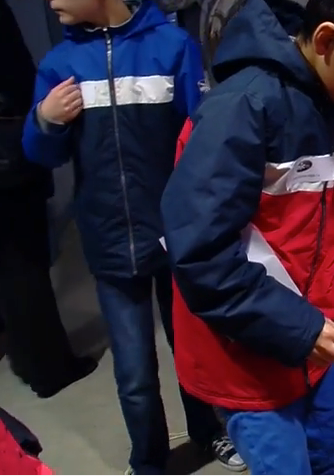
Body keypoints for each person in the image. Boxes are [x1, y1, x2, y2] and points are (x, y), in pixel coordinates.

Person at [160, 0, 334, 473]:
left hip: (305, 337)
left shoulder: (333, 104)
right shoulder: (241, 109)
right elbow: (200, 252)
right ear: (327, 41)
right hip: (244, 353)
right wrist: (297, 327)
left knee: (331, 454)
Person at [20, 0, 242, 472]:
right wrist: (46, 119)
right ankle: (149, 460)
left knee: (193, 350)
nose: (51, 2)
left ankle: (208, 432)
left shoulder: (173, 47)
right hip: (108, 241)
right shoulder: (61, 64)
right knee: (134, 372)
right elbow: (41, 155)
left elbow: (202, 133)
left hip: (176, 235)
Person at [0, 0, 97, 398]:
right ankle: (49, 368)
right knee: (24, 263)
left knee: (2, 261)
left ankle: (23, 353)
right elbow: (14, 78)